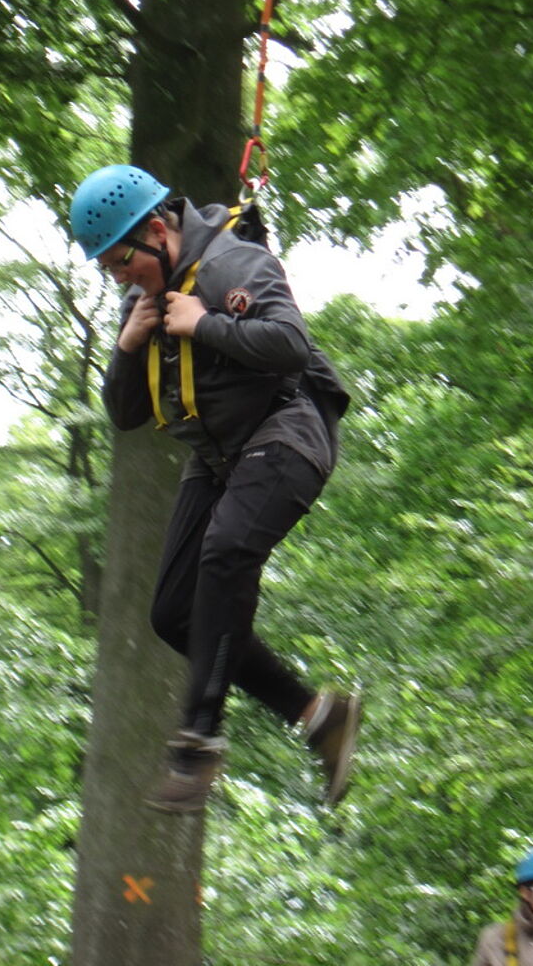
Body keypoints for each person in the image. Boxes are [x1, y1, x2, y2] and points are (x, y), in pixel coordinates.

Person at [70, 163, 360, 813]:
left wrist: (204, 324)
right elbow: (125, 414)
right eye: (109, 270)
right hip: (216, 452)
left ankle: (198, 741)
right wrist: (127, 347)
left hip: (288, 431)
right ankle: (319, 716)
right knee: (174, 613)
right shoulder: (143, 298)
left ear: (155, 231)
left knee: (226, 553)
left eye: (122, 263)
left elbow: (290, 343)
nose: (120, 279)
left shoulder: (233, 264)